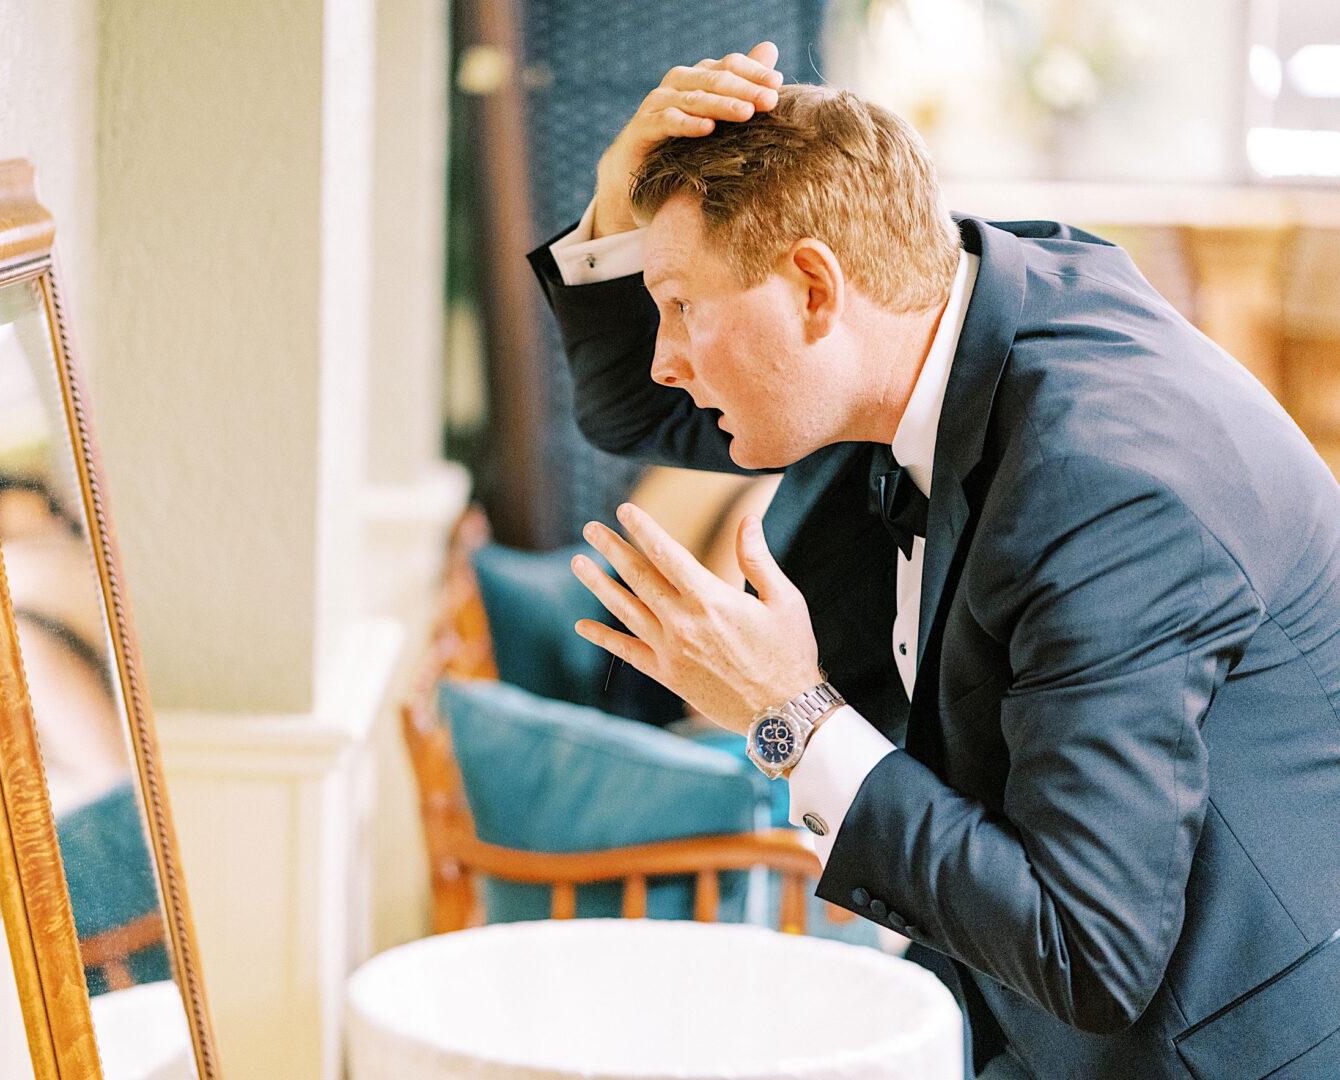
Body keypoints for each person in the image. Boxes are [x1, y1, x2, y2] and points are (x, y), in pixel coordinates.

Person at [526, 41, 1340, 1080]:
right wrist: (615, 201)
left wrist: (790, 715)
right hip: (1005, 1000)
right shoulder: (938, 309)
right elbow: (638, 407)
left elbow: (1090, 950)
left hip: (1195, 1046)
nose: (665, 355)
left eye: (682, 306)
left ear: (814, 290)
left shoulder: (1105, 486)